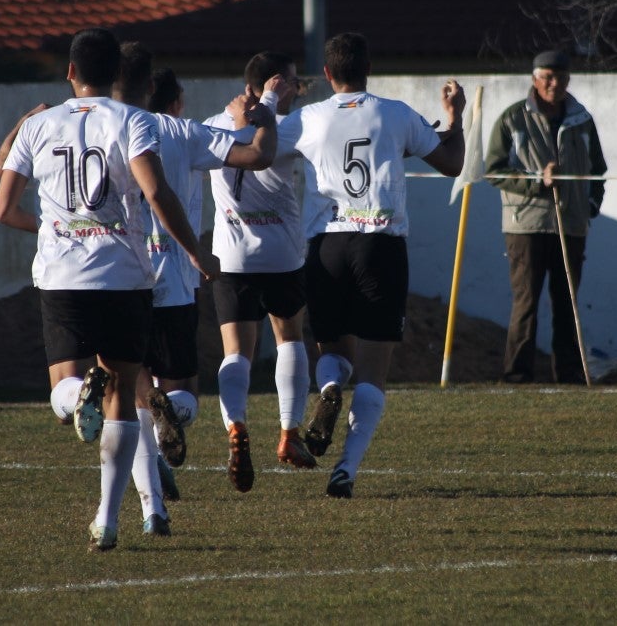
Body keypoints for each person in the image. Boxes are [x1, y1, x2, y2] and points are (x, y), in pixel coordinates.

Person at [0, 27, 217, 552]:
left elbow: (2, 209)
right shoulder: (133, 119)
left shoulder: (39, 126)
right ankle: (108, 520)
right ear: (117, 75)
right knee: (125, 401)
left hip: (63, 277)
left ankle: (78, 393)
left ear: (69, 72)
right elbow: (156, 191)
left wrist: (52, 228)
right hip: (125, 277)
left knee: (62, 394)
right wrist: (192, 250)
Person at [277, 32, 465, 498]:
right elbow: (452, 162)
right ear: (369, 68)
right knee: (374, 371)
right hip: (379, 246)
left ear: (326, 74)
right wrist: (456, 117)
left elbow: (259, 148)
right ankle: (347, 467)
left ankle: (325, 393)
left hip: (327, 247)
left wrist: (262, 106)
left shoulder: (309, 117)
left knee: (333, 354)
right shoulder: (395, 113)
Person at [134, 58, 276, 514]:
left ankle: (149, 488)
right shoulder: (184, 133)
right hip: (174, 281)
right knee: (184, 396)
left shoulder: (111, 126)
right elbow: (257, 154)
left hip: (120, 278)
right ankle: (165, 426)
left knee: (128, 386)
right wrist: (259, 118)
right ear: (175, 101)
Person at [203, 51, 319, 493]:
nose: (298, 90)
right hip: (282, 255)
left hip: (232, 258)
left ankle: (236, 427)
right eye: (292, 82)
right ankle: (289, 435)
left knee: (236, 354)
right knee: (289, 338)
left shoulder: (214, 122)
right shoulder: (287, 127)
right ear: (274, 84)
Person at [483, 48, 607, 384]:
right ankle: (517, 375)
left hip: (572, 224)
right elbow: (493, 171)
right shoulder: (513, 118)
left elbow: (598, 170)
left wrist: (590, 206)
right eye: (547, 77)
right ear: (535, 80)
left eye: (561, 77)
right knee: (526, 303)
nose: (555, 83)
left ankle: (568, 375)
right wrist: (538, 181)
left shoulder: (582, 119)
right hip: (527, 225)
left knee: (567, 305)